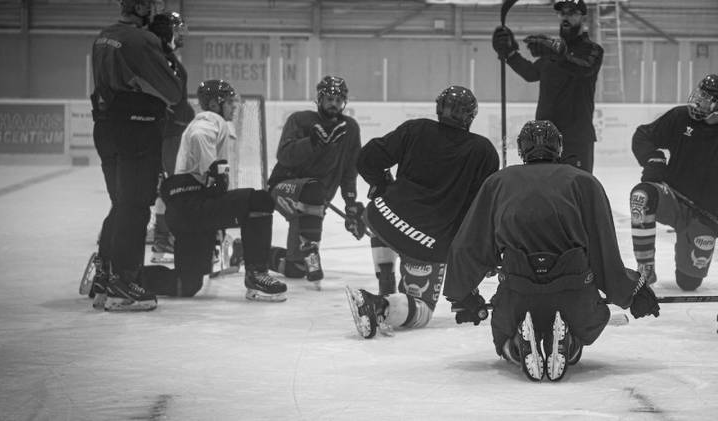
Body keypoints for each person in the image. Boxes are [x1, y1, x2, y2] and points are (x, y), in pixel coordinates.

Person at [443, 120, 660, 382]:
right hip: (575, 295)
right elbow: (604, 253)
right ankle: (570, 343)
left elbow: (469, 246)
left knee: (502, 338)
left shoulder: (498, 182)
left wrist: (463, 295)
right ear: (559, 147)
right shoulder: (584, 182)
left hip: (517, 294)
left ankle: (516, 345)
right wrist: (633, 291)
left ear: (521, 149)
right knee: (587, 327)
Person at [346, 85, 499, 339]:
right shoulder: (483, 151)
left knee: (383, 223)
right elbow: (480, 213)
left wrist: (382, 186)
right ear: (471, 116)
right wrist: (482, 261)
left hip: (381, 216)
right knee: (422, 310)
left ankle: (386, 280)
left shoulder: (416, 128)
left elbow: (367, 158)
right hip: (424, 243)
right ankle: (379, 305)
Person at [87, 0, 183, 312]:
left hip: (106, 128)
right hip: (136, 128)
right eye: (151, 2)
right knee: (136, 206)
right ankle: (124, 284)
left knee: (120, 204)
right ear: (139, 4)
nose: (155, 8)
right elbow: (173, 91)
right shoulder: (142, 40)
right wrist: (166, 50)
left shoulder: (104, 36)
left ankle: (104, 277)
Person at [144, 79, 287, 302]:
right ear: (213, 104)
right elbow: (199, 136)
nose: (234, 106)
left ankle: (124, 275)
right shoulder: (210, 119)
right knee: (260, 200)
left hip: (185, 210)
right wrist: (213, 170)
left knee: (187, 284)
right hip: (192, 204)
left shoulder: (209, 121)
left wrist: (215, 182)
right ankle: (256, 275)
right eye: (229, 102)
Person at [629, 73, 718, 291]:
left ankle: (688, 264)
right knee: (641, 196)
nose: (698, 100)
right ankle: (645, 269)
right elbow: (642, 136)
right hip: (671, 198)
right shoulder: (680, 117)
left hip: (704, 212)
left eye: (706, 97)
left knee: (689, 283)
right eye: (699, 94)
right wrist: (653, 158)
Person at [266, 76, 363, 283]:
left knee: (295, 269)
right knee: (313, 189)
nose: (334, 104)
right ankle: (310, 251)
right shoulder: (300, 120)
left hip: (315, 203)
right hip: (283, 187)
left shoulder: (350, 129)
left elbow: (349, 170)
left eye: (338, 100)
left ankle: (249, 250)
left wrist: (351, 204)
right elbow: (284, 155)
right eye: (329, 99)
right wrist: (311, 142)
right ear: (319, 99)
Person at [492, 0, 604, 172]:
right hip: (544, 139)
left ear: (583, 18)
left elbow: (584, 68)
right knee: (544, 185)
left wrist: (557, 54)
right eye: (563, 13)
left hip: (576, 139)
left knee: (577, 186)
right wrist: (510, 54)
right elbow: (530, 73)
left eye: (572, 13)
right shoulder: (552, 50)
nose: (566, 17)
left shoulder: (593, 50)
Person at [148, 12, 194, 264]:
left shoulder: (164, 57)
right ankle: (165, 236)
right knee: (174, 186)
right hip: (169, 135)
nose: (182, 35)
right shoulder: (163, 59)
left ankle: (162, 237)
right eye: (177, 30)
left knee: (167, 186)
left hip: (170, 133)